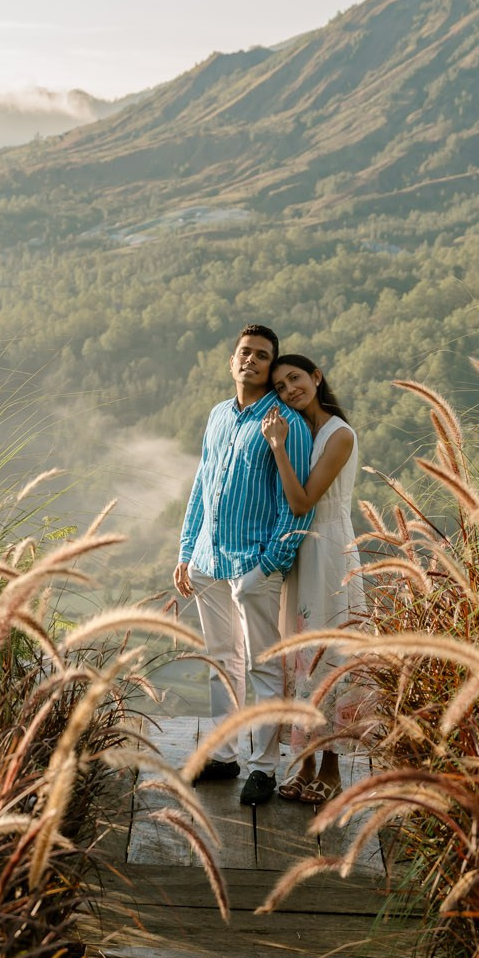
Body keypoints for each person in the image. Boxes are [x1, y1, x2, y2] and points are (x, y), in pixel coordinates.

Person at [175, 325, 316, 806]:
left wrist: (269, 564)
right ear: (231, 360)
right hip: (208, 560)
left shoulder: (287, 425)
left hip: (254, 565)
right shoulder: (217, 415)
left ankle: (262, 768)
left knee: (263, 667)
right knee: (221, 663)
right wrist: (186, 552)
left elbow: (298, 506)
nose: (250, 360)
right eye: (244, 352)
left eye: (261, 355)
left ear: (269, 365)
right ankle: (225, 754)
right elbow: (202, 485)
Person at [261, 354, 362, 805]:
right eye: (280, 386)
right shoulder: (304, 432)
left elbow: (303, 502)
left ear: (317, 377)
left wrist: (278, 447)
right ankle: (301, 761)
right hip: (302, 551)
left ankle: (333, 768)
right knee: (300, 654)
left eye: (295, 379)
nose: (289, 390)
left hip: (330, 552)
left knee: (330, 653)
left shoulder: (339, 435)